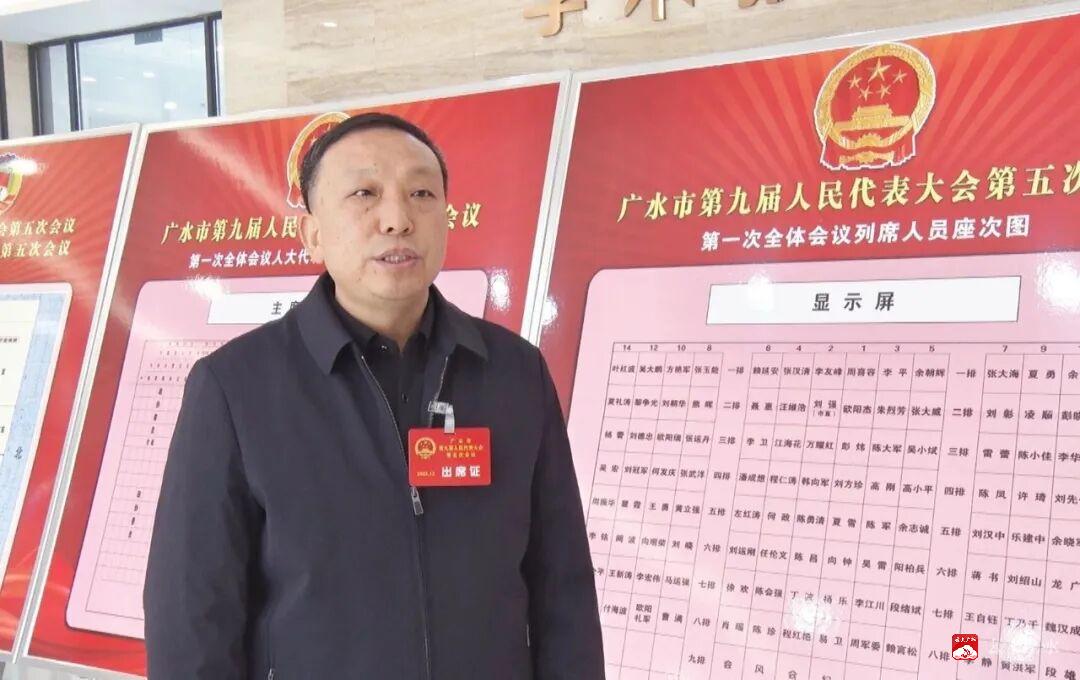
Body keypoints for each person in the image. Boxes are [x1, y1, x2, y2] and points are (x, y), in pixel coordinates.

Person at [144, 112, 605, 679]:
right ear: (313, 233)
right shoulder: (235, 387)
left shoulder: (514, 373)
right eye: (364, 194)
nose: (397, 219)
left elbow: (563, 586)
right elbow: (191, 616)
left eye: (421, 194)